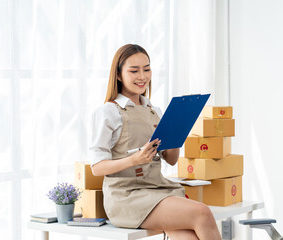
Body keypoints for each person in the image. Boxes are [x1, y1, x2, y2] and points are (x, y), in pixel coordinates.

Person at [89, 44, 221, 240]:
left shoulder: (154, 110)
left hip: (158, 189)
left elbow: (171, 159)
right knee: (202, 213)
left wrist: (178, 128)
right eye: (134, 71)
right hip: (127, 196)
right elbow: (97, 168)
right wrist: (134, 160)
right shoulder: (108, 112)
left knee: (188, 237)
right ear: (118, 75)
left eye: (147, 69)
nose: (142, 76)